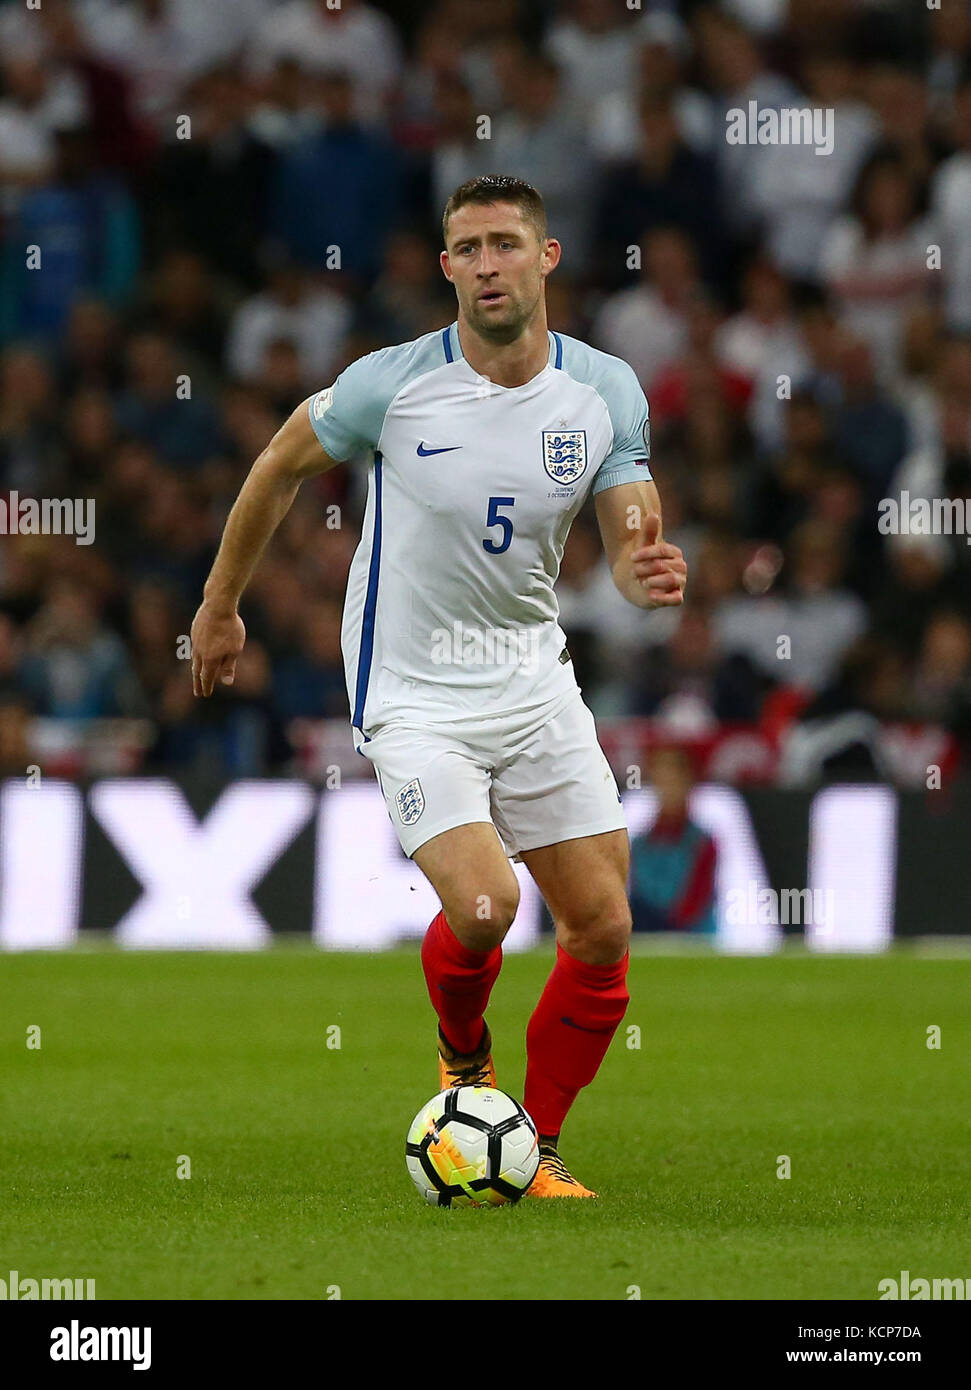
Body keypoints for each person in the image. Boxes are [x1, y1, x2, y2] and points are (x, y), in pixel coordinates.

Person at [190, 175, 687, 1198]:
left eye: (506, 242)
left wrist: (646, 570)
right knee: (484, 904)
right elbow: (278, 466)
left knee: (599, 926)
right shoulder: (391, 383)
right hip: (412, 690)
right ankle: (463, 1058)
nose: (487, 262)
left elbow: (633, 533)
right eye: (467, 248)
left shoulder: (603, 390)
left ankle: (533, 1147)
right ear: (446, 267)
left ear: (545, 258)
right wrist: (219, 603)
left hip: (533, 681)